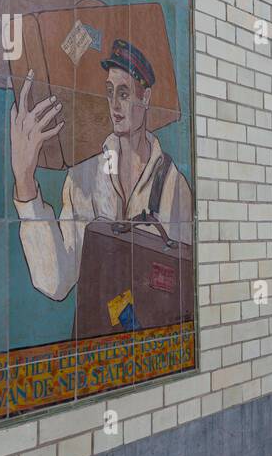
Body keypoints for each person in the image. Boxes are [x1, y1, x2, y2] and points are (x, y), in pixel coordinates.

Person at [11, 44, 194, 301]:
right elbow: (56, 281)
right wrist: (24, 181)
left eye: (124, 93)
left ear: (146, 97)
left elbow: (184, 280)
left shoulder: (173, 184)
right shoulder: (85, 175)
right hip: (98, 326)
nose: (115, 106)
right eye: (110, 93)